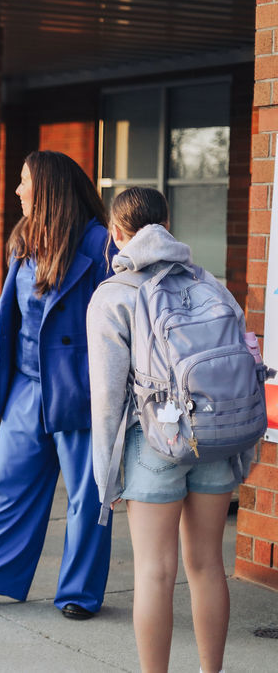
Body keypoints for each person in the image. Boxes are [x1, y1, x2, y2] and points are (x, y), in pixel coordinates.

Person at [0, 151, 114, 620]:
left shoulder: (101, 248)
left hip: (82, 391)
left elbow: (120, 324)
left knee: (87, 497)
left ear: (48, 189)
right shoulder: (24, 241)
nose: (17, 191)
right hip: (28, 387)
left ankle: (78, 593)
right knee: (7, 487)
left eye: (24, 181)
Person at [87, 187, 251, 673]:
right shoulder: (210, 283)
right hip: (214, 441)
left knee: (155, 573)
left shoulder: (114, 295)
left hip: (152, 443)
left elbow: (107, 399)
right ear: (168, 222)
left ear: (116, 234)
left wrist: (106, 478)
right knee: (207, 566)